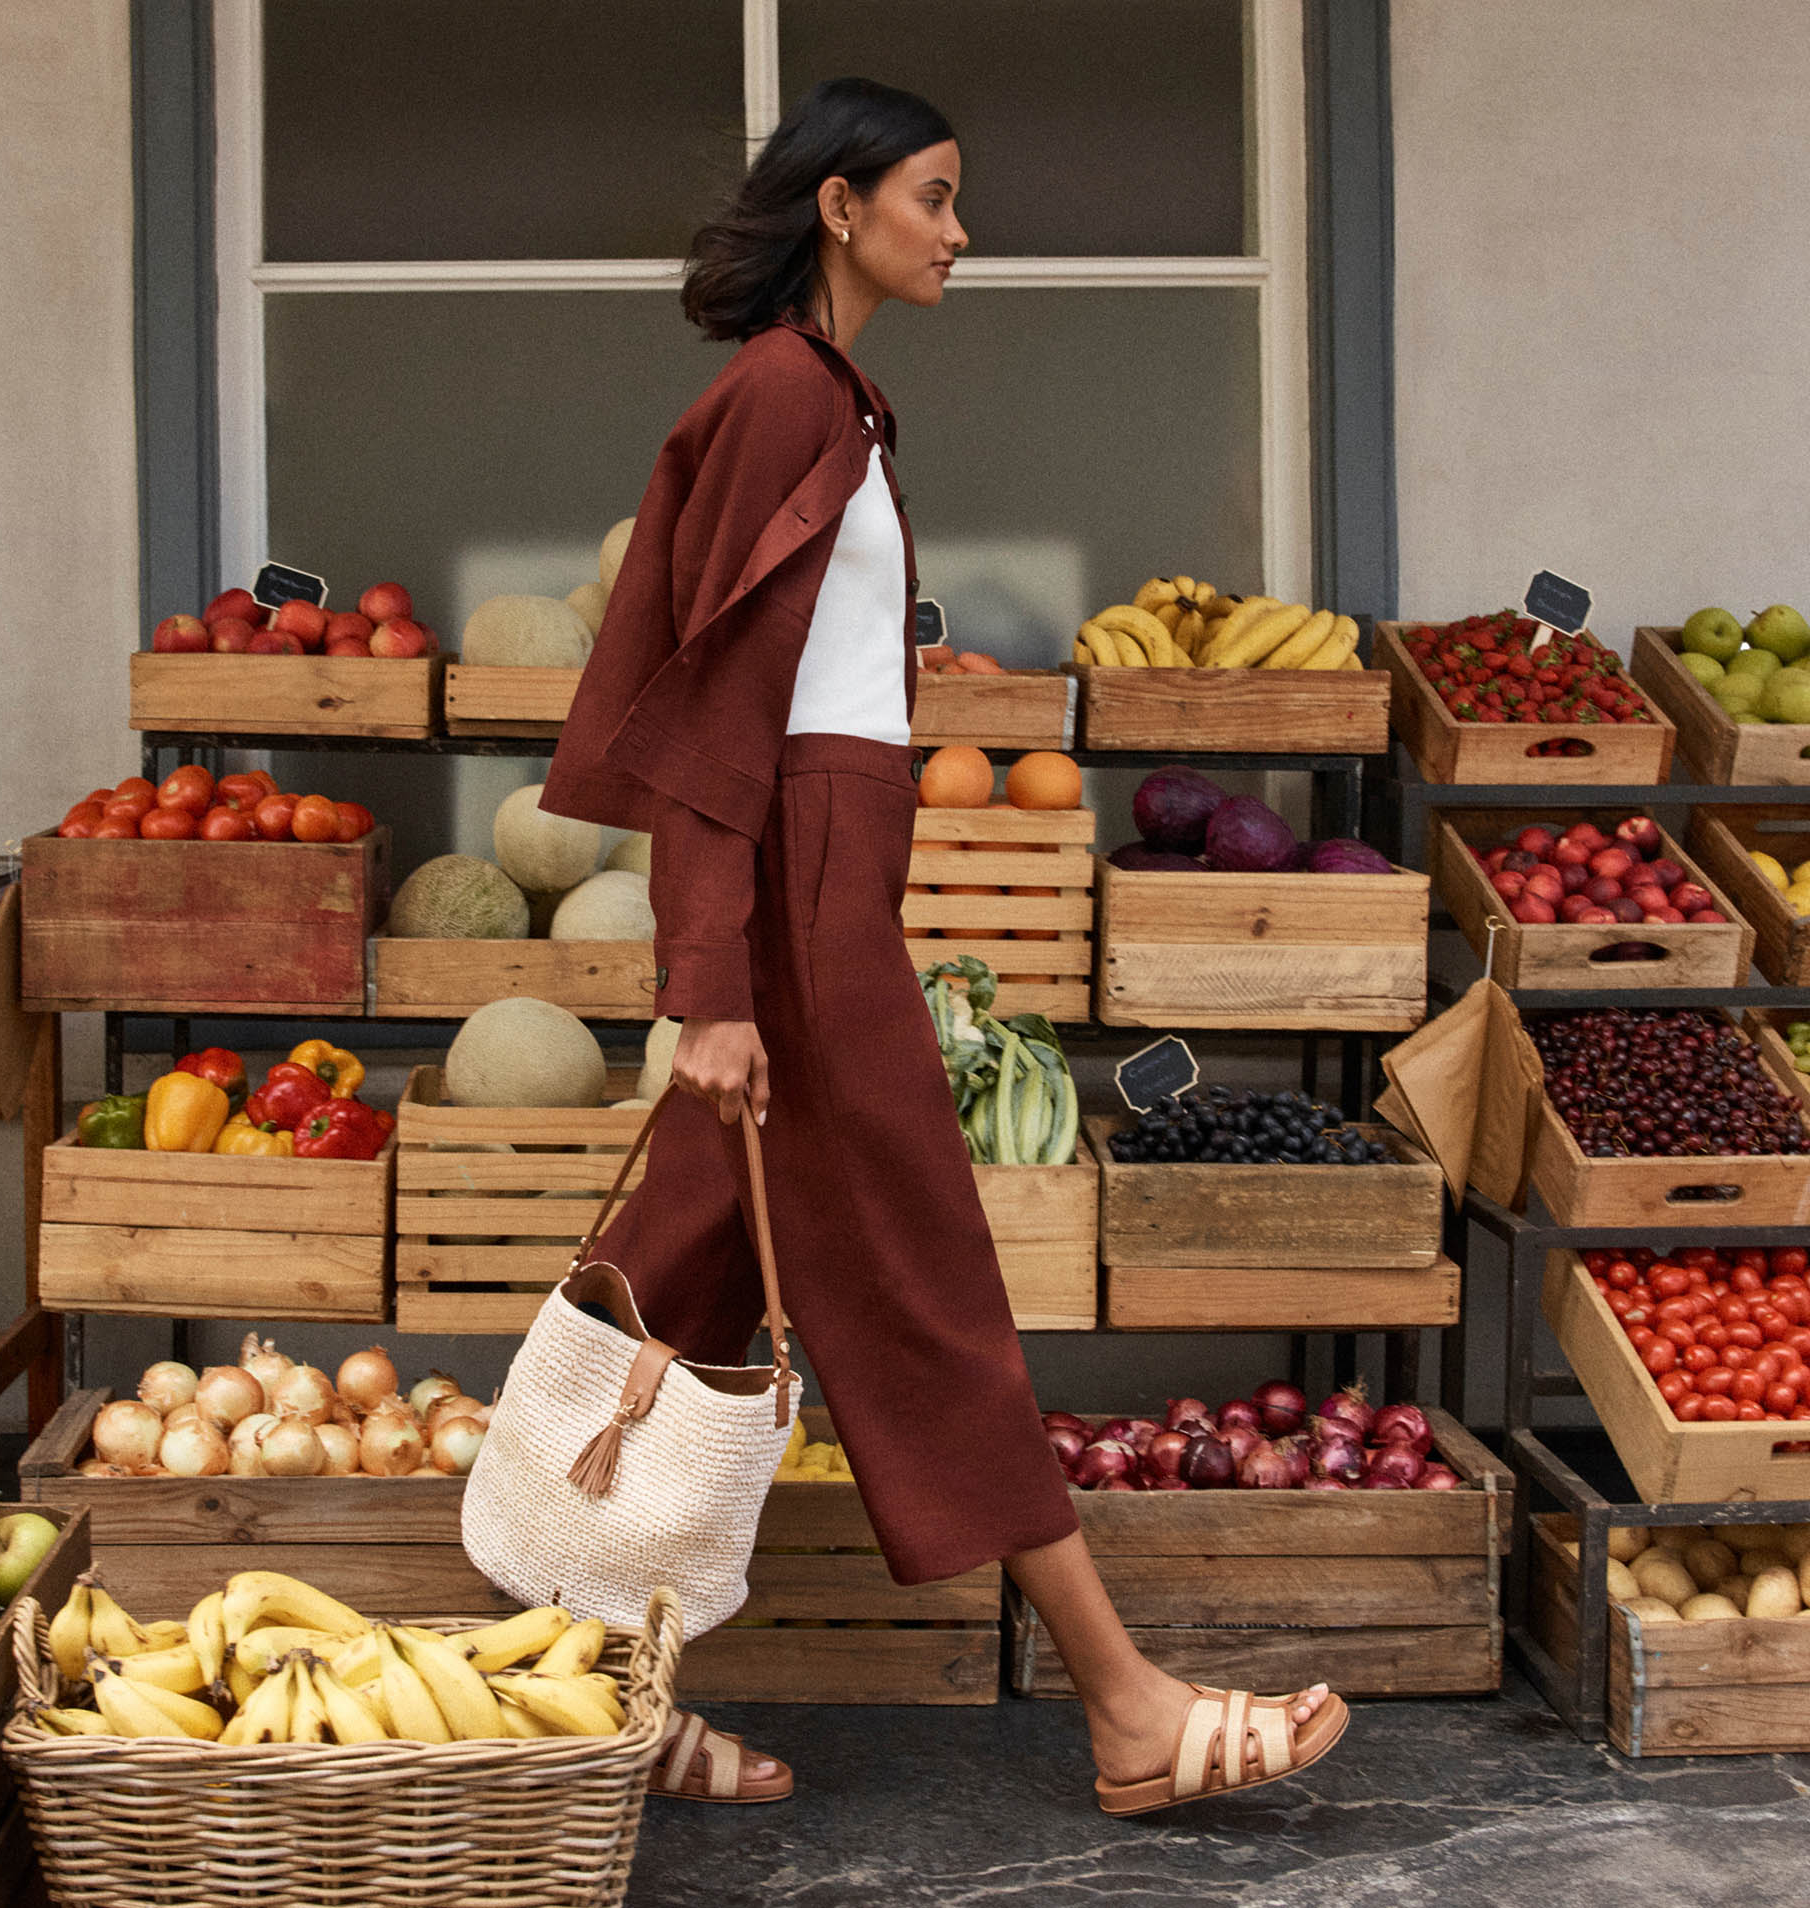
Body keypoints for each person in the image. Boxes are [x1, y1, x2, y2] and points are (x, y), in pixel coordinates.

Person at [539, 76, 1346, 1818]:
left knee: (672, 1301)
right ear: (841, 208)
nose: (958, 231)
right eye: (935, 196)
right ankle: (1124, 1707)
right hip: (804, 925)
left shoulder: (831, 398)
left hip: (830, 896)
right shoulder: (775, 399)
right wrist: (712, 987)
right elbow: (705, 719)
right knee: (926, 1299)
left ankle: (573, 1697)